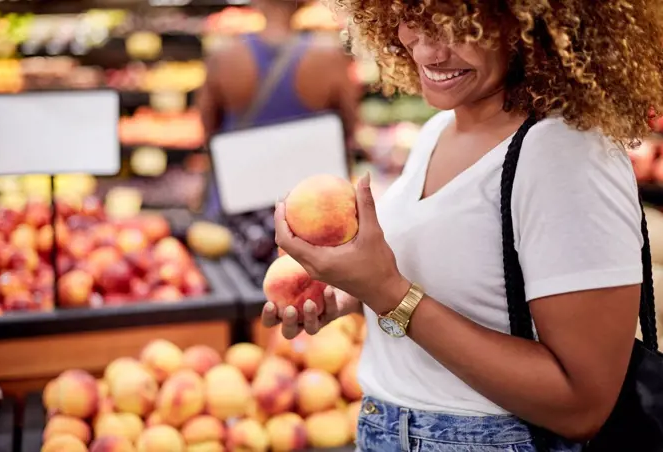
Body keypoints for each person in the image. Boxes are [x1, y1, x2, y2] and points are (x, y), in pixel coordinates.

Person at [261, 1, 663, 450]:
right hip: (384, 428)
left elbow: (581, 406)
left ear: (529, 23)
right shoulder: (437, 131)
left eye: (459, 27)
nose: (429, 51)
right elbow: (460, 288)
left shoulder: (566, 155)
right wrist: (347, 290)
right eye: (413, 17)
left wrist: (387, 293)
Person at [196, 0, 359, 219]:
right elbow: (349, 125)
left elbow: (208, 128)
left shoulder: (224, 56)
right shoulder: (329, 57)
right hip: (309, 203)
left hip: (240, 198)